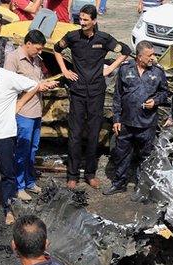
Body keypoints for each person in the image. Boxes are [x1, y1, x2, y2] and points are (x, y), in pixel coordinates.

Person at [0, 49, 53, 223]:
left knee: (7, 174)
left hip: (4, 135)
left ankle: (9, 209)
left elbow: (33, 86)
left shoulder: (8, 77)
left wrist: (19, 103)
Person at [54, 4, 130, 190]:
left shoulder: (103, 39)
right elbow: (56, 49)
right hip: (78, 92)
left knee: (94, 133)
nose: (82, 23)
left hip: (96, 92)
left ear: (94, 21)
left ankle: (90, 173)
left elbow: (126, 51)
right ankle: (72, 175)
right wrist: (65, 70)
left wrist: (111, 68)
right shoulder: (72, 36)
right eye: (80, 19)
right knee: (75, 134)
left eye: (86, 20)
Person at [105, 40, 167, 196]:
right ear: (139, 56)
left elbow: (164, 93)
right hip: (126, 122)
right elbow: (118, 96)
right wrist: (116, 119)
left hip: (147, 123)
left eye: (153, 54)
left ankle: (141, 187)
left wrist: (156, 101)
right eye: (149, 55)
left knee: (145, 156)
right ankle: (119, 183)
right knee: (121, 154)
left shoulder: (158, 72)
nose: (153, 58)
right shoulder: (125, 69)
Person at [5, 29, 47, 199]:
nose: (40, 52)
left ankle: (29, 182)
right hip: (23, 112)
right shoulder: (13, 59)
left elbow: (36, 81)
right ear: (28, 44)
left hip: (36, 110)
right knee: (22, 150)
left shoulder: (35, 59)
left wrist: (44, 83)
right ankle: (19, 186)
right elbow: (8, 86)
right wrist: (35, 86)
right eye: (37, 48)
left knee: (32, 149)